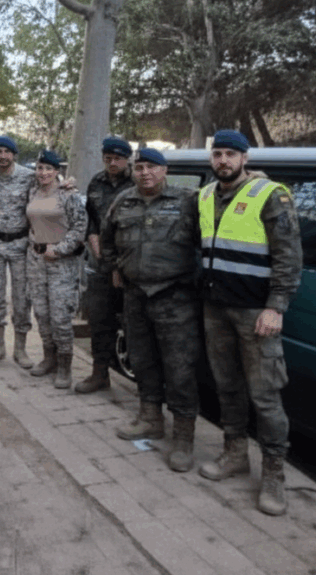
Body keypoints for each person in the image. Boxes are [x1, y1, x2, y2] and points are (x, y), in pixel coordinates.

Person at [196, 130, 302, 516]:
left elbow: (289, 257)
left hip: (256, 313)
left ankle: (274, 474)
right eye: (217, 154)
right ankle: (235, 454)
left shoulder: (271, 195)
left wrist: (277, 306)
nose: (222, 160)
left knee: (265, 395)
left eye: (229, 154)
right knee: (227, 388)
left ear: (245, 157)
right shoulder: (206, 195)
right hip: (216, 308)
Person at [99, 148, 201, 471]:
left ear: (165, 170)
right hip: (135, 295)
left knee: (180, 367)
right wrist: (116, 266)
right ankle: (150, 418)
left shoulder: (188, 202)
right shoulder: (123, 202)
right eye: (139, 167)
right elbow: (107, 238)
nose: (145, 173)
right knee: (142, 359)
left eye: (152, 167)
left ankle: (183, 438)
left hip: (174, 297)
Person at [75, 136, 136, 394]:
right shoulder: (96, 182)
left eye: (118, 159)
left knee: (135, 325)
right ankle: (100, 374)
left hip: (130, 267)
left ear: (127, 159)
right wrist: (96, 247)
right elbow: (90, 220)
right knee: (99, 321)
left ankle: (144, 386)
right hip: (101, 264)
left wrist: (118, 264)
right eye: (108, 158)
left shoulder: (137, 183)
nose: (112, 163)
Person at [25, 149, 87, 388]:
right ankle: (48, 358)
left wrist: (59, 249)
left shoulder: (68, 195)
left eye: (48, 169)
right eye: (40, 168)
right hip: (37, 260)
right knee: (41, 312)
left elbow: (79, 228)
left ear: (57, 171)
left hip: (62, 263)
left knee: (60, 316)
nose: (43, 173)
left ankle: (64, 366)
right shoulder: (32, 190)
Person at [0, 135, 36, 368]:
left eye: (7, 152)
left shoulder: (29, 177)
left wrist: (69, 181)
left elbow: (51, 189)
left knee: (22, 298)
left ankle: (21, 349)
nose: (2, 156)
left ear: (14, 154)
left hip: (20, 245)